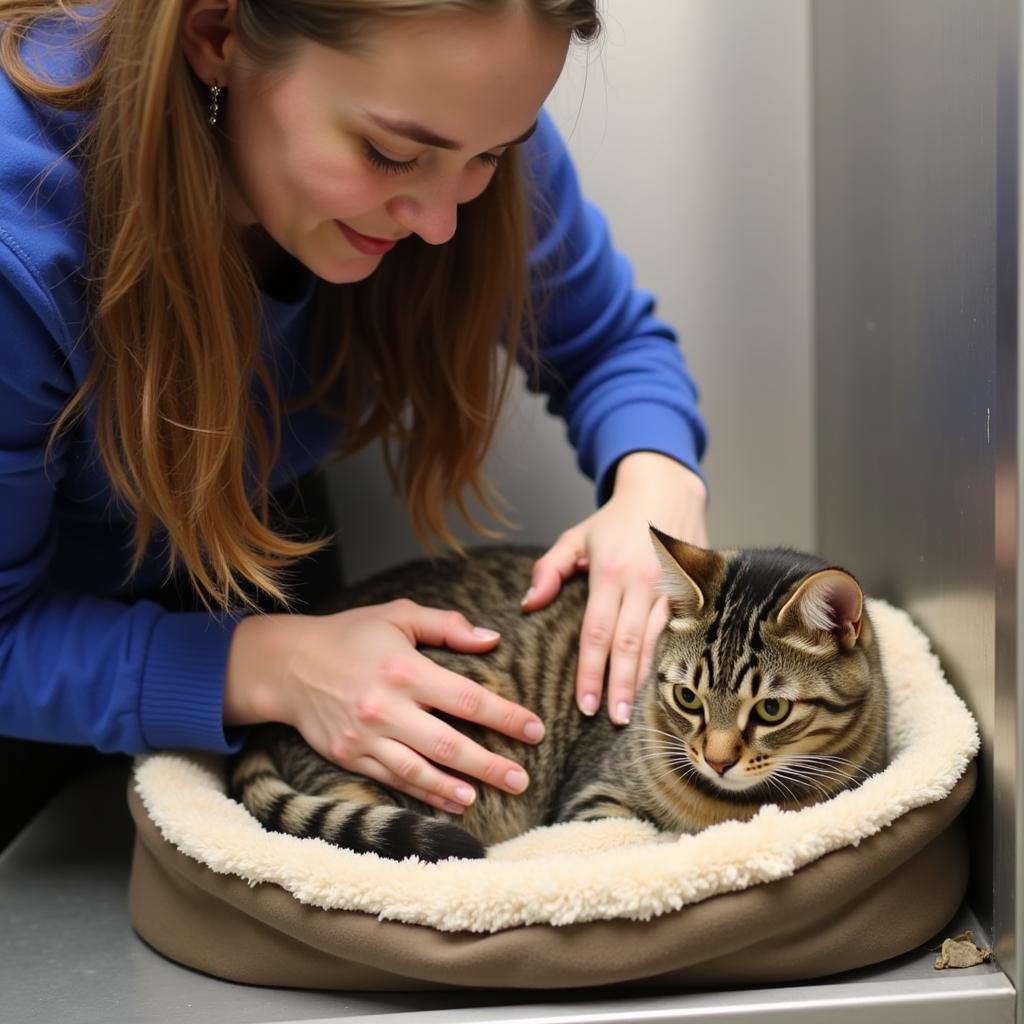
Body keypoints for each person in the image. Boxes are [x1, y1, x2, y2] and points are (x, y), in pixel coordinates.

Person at [0, 0, 708, 840]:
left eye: (489, 157)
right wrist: (267, 664)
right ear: (217, 35)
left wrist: (656, 484)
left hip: (252, 546)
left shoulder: (459, 113)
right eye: (390, 155)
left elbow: (610, 343)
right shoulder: (23, 242)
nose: (443, 225)